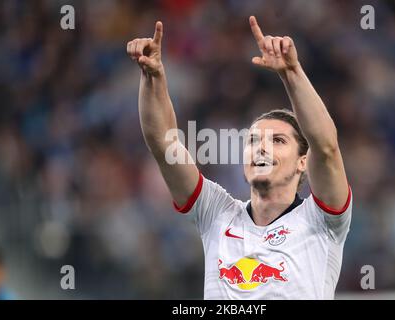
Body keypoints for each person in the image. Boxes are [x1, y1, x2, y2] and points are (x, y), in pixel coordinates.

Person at [126, 16, 352, 299]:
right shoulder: (217, 214)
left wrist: (292, 73)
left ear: (303, 161)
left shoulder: (321, 219)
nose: (262, 148)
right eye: (254, 141)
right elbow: (163, 144)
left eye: (278, 141)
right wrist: (153, 77)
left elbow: (327, 148)